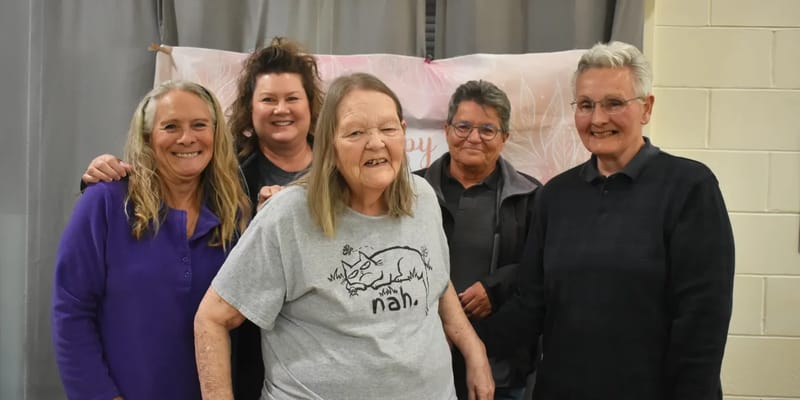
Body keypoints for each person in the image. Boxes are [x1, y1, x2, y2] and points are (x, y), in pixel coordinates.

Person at [193, 72, 495, 400]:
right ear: (330, 145)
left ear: (403, 133)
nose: (376, 142)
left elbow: (434, 280)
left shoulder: (421, 197)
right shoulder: (288, 215)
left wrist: (473, 349)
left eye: (388, 129)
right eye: (355, 132)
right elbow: (212, 317)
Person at [488, 41, 735, 399]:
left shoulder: (690, 188)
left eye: (614, 103)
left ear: (646, 108)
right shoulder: (556, 196)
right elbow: (531, 303)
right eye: (586, 105)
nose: (598, 119)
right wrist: (463, 339)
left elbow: (702, 322)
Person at [79, 37, 323, 399]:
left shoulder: (340, 170)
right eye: (268, 99)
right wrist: (97, 182)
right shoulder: (227, 178)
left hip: (325, 353)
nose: (280, 109)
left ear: (311, 106)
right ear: (250, 110)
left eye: (292, 98)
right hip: (250, 364)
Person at [52, 80, 251, 400]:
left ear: (215, 134)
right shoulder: (104, 203)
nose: (187, 138)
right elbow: (71, 313)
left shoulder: (235, 214)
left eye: (199, 125)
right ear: (148, 137)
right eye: (171, 126)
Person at [415, 80, 540, 400]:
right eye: (464, 126)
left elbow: (542, 270)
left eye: (487, 129)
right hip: (420, 362)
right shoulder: (410, 191)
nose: (473, 138)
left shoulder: (531, 196)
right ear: (446, 129)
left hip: (500, 367)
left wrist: (498, 286)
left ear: (505, 137)